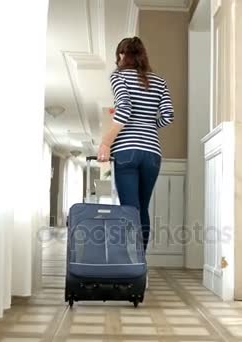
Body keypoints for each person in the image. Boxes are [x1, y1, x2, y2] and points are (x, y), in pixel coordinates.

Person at [97, 37, 175, 254]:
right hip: (152, 153)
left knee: (129, 209)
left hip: (127, 151)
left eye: (119, 54)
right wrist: (149, 126)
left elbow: (124, 109)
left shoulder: (119, 76)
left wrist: (105, 142)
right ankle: (140, 263)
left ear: (122, 55)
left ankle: (130, 264)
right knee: (142, 209)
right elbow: (168, 116)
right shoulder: (159, 80)